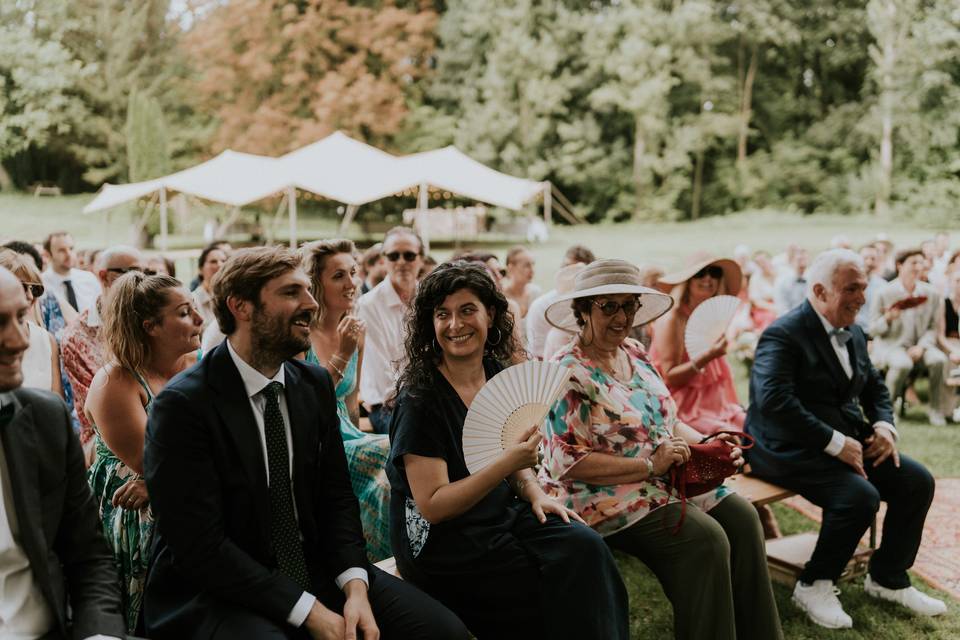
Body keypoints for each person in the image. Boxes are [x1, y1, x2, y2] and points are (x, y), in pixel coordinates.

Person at [143, 246, 468, 640]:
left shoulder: (311, 385)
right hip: (216, 588)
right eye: (291, 292)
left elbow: (336, 499)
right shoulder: (183, 404)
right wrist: (307, 611)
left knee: (443, 631)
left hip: (315, 569)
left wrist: (355, 586)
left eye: (308, 291)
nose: (311, 303)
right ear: (241, 307)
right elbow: (199, 546)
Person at [538, 259, 782, 640]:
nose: (622, 317)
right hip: (597, 496)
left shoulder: (634, 350)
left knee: (743, 516)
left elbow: (667, 420)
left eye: (629, 305)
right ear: (583, 311)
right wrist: (650, 465)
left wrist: (710, 444)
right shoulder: (567, 371)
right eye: (609, 306)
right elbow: (565, 462)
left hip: (662, 477)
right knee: (706, 541)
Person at [387, 260, 629, 640]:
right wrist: (508, 465)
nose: (455, 325)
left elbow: (510, 456)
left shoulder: (497, 373)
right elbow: (433, 506)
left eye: (468, 310)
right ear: (429, 325)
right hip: (442, 541)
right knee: (531, 583)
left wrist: (535, 492)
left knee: (586, 548)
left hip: (497, 512)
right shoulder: (421, 399)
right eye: (442, 314)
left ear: (492, 313)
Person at [745, 248, 945, 629]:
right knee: (858, 497)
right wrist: (836, 443)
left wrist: (884, 427)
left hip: (845, 436)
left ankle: (887, 578)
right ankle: (814, 583)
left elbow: (874, 387)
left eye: (864, 288)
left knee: (916, 482)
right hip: (786, 446)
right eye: (852, 289)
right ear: (820, 291)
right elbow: (774, 402)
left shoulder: (853, 329)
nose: (862, 298)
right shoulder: (782, 333)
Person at [0, 265, 126, 639]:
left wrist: (99, 634)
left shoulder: (44, 418)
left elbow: (89, 558)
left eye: (22, 317)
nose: (20, 340)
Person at [85, 272, 203, 632]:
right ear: (150, 326)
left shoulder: (197, 363)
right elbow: (151, 465)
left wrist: (158, 481)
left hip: (183, 492)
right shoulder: (115, 383)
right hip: (132, 516)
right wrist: (157, 482)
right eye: (184, 313)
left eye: (195, 308)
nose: (199, 319)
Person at [302, 239, 392, 561]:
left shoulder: (356, 330)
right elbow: (307, 400)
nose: (352, 283)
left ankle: (380, 561)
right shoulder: (301, 335)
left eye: (353, 273)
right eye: (338, 276)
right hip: (313, 438)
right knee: (398, 446)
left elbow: (352, 403)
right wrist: (343, 353)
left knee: (384, 486)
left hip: (348, 440)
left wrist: (355, 441)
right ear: (316, 283)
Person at [61, 246, 144, 456]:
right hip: (101, 437)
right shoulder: (77, 336)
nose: (141, 279)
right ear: (103, 276)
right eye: (131, 272)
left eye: (145, 272)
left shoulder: (149, 320)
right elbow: (102, 412)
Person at [869, 248, 950, 425]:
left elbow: (932, 327)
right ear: (900, 265)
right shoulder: (884, 293)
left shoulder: (931, 294)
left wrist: (922, 346)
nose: (919, 266)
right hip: (892, 346)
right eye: (913, 262)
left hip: (921, 346)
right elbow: (872, 330)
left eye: (921, 262)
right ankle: (887, 411)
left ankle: (936, 410)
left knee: (939, 360)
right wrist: (887, 320)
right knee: (902, 363)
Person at [357, 226, 424, 434]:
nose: (402, 262)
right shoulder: (368, 305)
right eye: (394, 256)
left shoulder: (430, 299)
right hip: (389, 406)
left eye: (409, 255)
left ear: (420, 259)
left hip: (429, 398)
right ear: (383, 260)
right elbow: (383, 378)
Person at [0, 249, 64, 396]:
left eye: (34, 288)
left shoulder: (46, 339)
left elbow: (56, 402)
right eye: (21, 286)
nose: (30, 295)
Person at [525, 245, 596, 359]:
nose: (571, 275)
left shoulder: (597, 306)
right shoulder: (541, 306)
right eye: (567, 268)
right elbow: (537, 355)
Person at [41, 231, 102, 314]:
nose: (69, 254)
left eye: (71, 248)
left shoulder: (89, 279)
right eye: (61, 250)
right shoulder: (41, 284)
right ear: (48, 255)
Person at [192, 242, 229, 329]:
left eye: (223, 261)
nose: (220, 265)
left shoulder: (231, 298)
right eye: (213, 261)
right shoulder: (193, 300)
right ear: (200, 269)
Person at [500, 246, 541, 319]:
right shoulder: (501, 297)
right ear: (511, 268)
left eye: (533, 264)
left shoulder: (536, 293)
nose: (532, 270)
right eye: (527, 265)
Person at [747, 250, 777, 331]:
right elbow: (756, 301)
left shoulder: (781, 274)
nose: (762, 264)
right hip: (764, 309)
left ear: (770, 260)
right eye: (758, 263)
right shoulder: (755, 278)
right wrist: (774, 308)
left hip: (782, 305)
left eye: (764, 261)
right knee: (770, 318)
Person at [773, 247, 809, 315]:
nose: (802, 263)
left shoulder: (813, 279)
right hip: (789, 319)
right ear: (791, 261)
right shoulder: (782, 281)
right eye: (799, 259)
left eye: (804, 259)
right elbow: (782, 307)